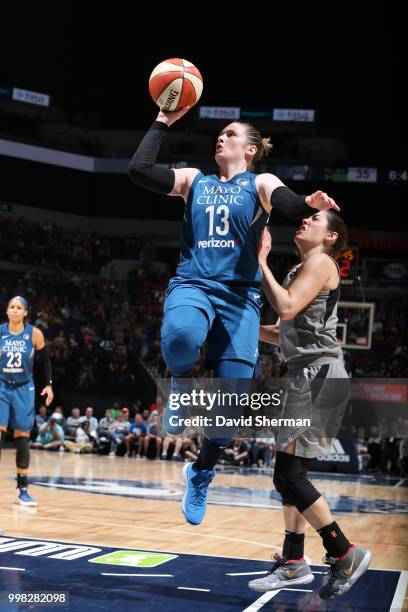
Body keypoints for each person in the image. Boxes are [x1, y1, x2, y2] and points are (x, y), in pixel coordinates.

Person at [128, 107, 339, 526]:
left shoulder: (259, 182)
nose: (220, 139)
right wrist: (161, 120)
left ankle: (201, 470)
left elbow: (287, 201)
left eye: (230, 134)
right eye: (219, 135)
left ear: (251, 148)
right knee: (183, 338)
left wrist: (307, 203)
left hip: (240, 299)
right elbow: (139, 169)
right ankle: (181, 389)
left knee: (226, 421)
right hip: (193, 284)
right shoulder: (193, 180)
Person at [247, 211, 371, 600]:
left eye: (314, 219)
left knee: (287, 475)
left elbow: (284, 308)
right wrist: (232, 325)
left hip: (318, 375)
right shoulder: (302, 269)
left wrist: (259, 261)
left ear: (331, 235)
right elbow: (282, 331)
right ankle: (294, 561)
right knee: (290, 471)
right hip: (306, 373)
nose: (304, 220)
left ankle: (344, 552)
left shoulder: (321, 262)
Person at [0, 296, 53, 506]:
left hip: (24, 388)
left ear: (25, 313)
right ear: (7, 311)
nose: (14, 310)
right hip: (2, 385)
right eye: (11, 307)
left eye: (18, 307)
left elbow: (45, 360)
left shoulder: (34, 334)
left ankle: (22, 488)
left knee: (22, 435)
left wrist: (48, 385)